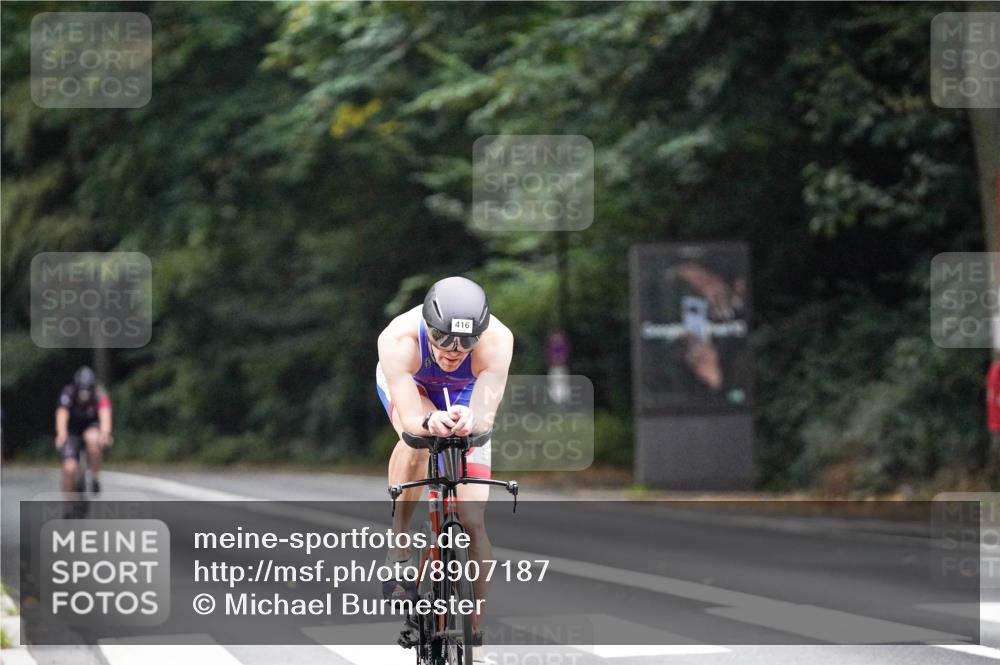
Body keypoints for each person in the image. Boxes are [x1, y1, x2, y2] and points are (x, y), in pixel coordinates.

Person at [376, 276, 513, 646]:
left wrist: (472, 419)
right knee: (420, 441)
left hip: (466, 390)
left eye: (466, 341)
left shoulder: (498, 340)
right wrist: (427, 421)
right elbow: (409, 419)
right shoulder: (398, 339)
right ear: (427, 327)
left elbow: (485, 416)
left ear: (480, 334)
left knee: (471, 522)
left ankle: (475, 632)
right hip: (414, 386)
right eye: (442, 339)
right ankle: (400, 544)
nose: (453, 350)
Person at [55, 366, 112, 494]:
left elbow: (105, 413)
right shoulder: (68, 392)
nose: (84, 395)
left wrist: (105, 433)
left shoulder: (99, 393)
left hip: (92, 426)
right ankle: (69, 503)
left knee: (92, 439)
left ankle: (94, 476)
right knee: (69, 468)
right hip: (72, 430)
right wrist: (61, 434)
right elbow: (62, 414)